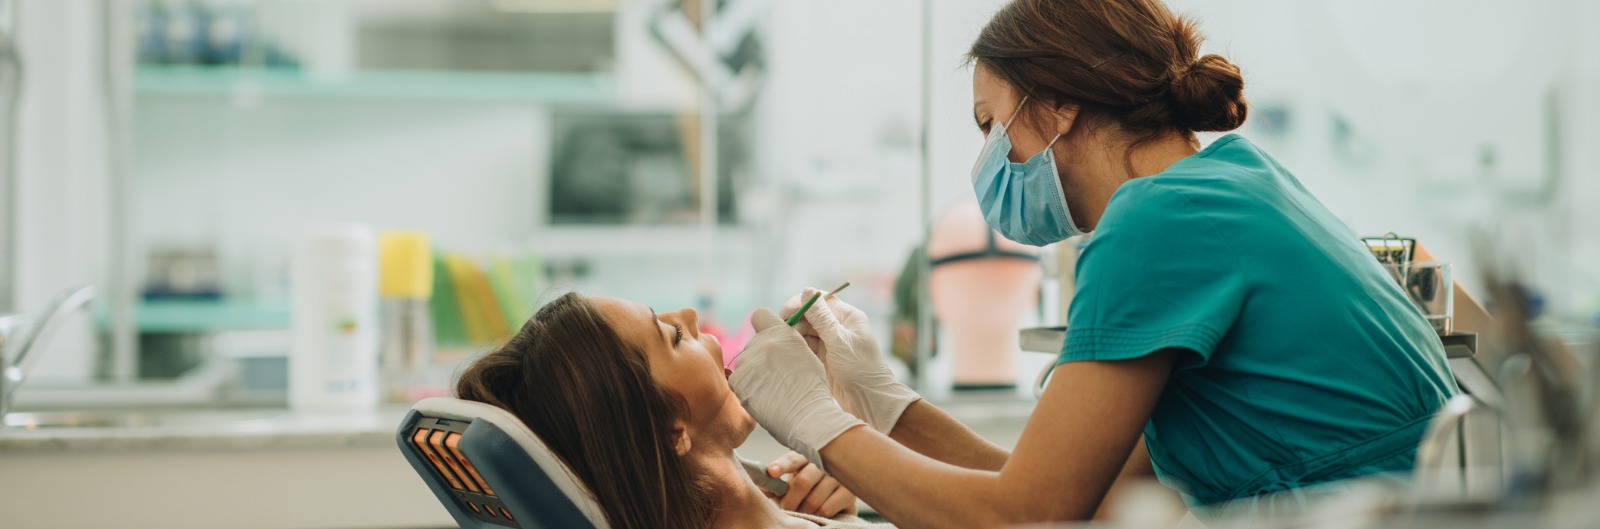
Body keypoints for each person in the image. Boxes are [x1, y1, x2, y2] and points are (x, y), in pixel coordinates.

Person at [728, 0, 1459, 526]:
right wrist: (886, 404)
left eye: (992, 126)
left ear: (1059, 105)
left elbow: (1028, 517)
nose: (988, 162)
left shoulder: (1157, 220)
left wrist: (816, 421)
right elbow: (1085, 493)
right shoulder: (1230, 182)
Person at [455, 293, 891, 529]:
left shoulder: (804, 500)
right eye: (675, 337)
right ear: (669, 430)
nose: (689, 315)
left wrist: (864, 477)